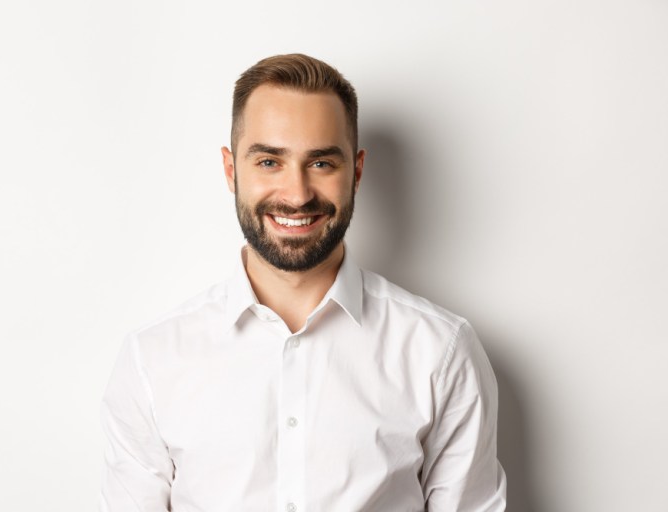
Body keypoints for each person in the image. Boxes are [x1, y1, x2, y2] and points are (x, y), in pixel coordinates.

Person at [100, 53, 506, 511]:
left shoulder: (440, 350)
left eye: (321, 164)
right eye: (270, 162)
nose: (296, 195)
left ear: (356, 171)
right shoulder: (151, 360)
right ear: (232, 170)